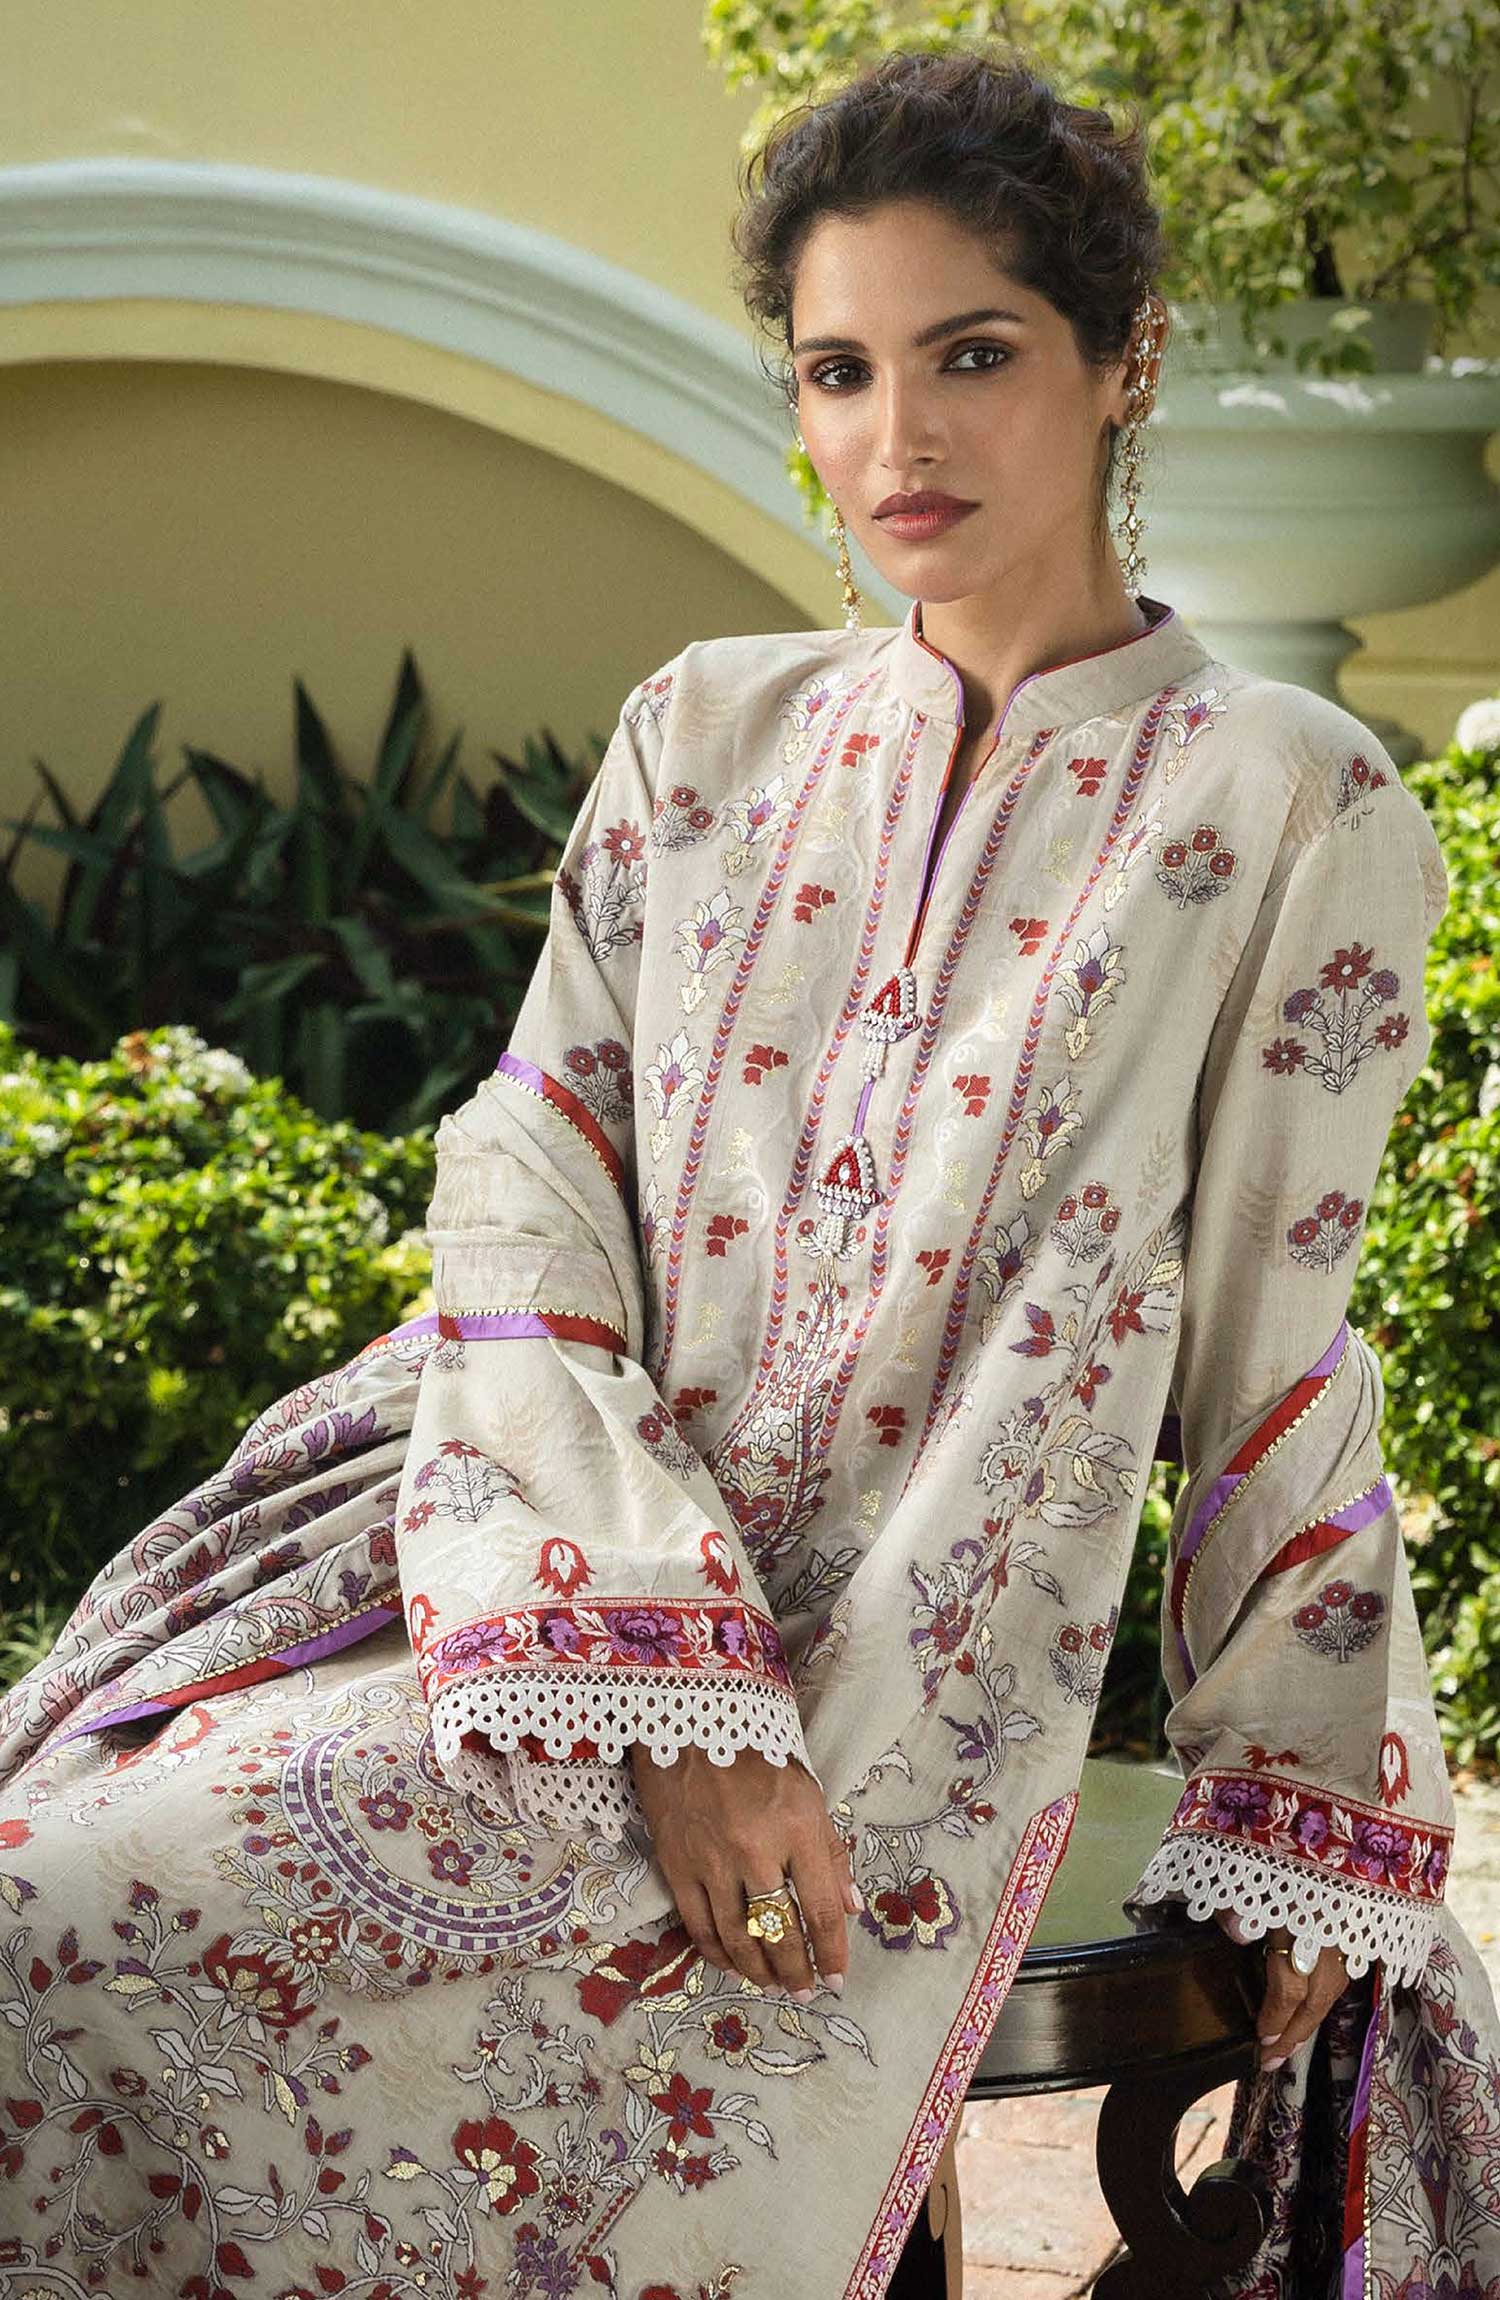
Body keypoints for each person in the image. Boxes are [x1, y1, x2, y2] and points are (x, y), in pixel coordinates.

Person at [0, 39, 1496, 2300]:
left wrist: (1305, 1802)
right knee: (44, 1874)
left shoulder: (1283, 795)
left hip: (902, 1706)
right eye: (838, 371)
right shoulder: (705, 730)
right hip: (532, 1593)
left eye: (972, 355)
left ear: (1124, 362)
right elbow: (531, 1173)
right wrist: (663, 1675)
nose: (899, 440)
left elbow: (1277, 1342)